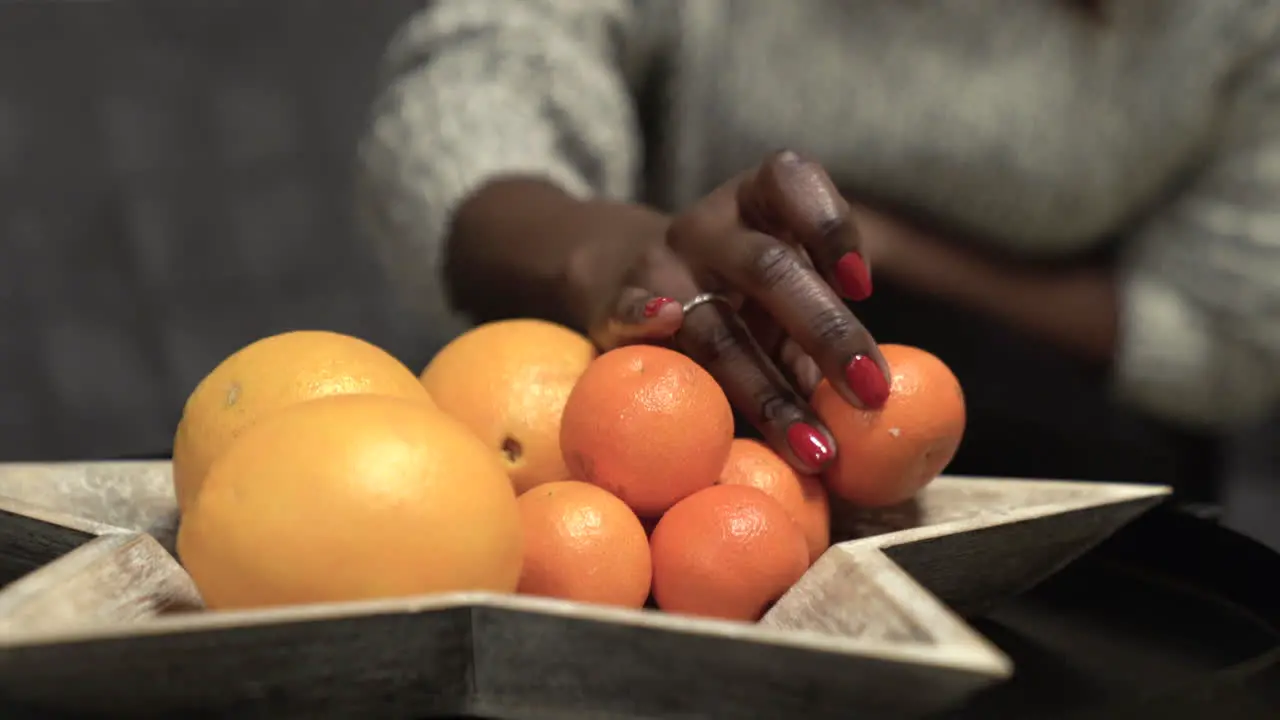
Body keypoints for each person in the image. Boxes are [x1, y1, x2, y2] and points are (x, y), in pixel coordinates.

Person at [355, 0, 1280, 493]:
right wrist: (601, 251)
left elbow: (1229, 330)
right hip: (705, 370)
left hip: (1070, 432)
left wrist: (898, 246)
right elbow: (485, 62)